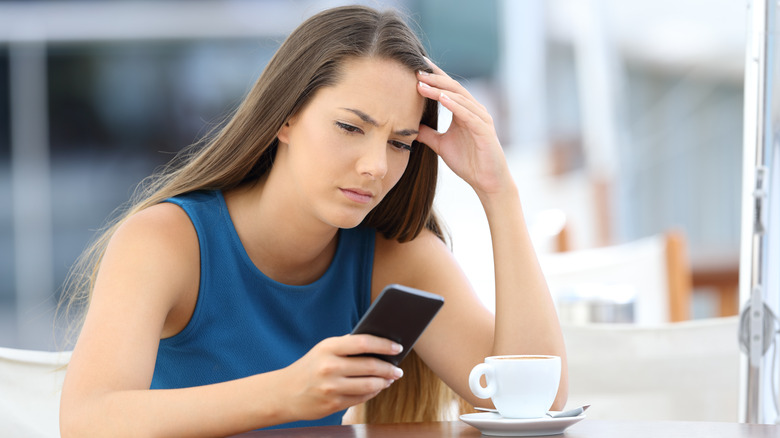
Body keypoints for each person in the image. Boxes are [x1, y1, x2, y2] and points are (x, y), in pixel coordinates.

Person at [58, 5, 567, 437]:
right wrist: (286, 393)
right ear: (286, 117)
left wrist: (499, 194)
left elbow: (536, 404)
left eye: (400, 143)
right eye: (350, 127)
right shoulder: (167, 241)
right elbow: (85, 420)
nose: (376, 166)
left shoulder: (391, 255)